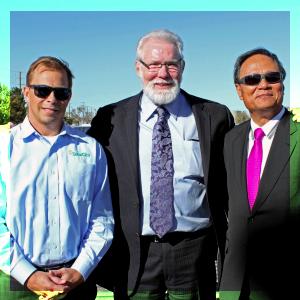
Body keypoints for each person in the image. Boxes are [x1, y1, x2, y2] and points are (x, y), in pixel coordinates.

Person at [88, 29, 234, 299]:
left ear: (182, 66)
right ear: (138, 67)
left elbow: (229, 186)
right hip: (135, 252)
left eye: (171, 65)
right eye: (153, 65)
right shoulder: (111, 118)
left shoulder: (215, 116)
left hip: (194, 249)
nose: (163, 74)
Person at [0, 56, 114, 300]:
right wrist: (28, 275)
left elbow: (102, 218)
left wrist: (80, 269)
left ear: (69, 97)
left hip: (74, 284)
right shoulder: (4, 146)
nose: (52, 98)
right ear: (26, 92)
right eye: (43, 90)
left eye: (61, 92)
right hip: (14, 282)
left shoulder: (91, 150)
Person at [219, 48, 300, 300]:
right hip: (235, 282)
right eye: (252, 80)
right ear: (239, 90)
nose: (263, 85)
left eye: (272, 77)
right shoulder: (231, 139)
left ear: (282, 84)